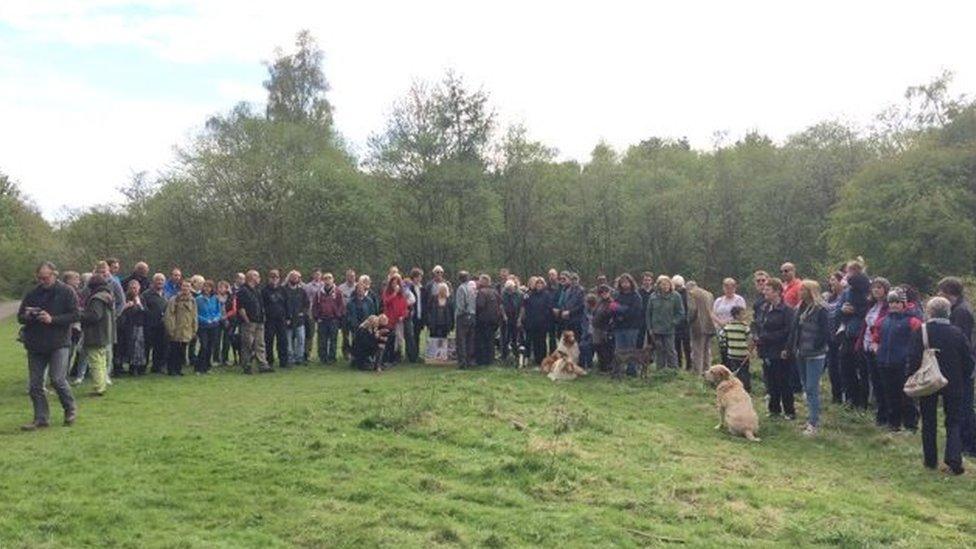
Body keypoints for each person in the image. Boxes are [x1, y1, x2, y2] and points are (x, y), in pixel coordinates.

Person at [909, 297, 973, 475]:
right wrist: (964, 377)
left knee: (929, 420)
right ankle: (954, 461)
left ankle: (930, 461)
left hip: (929, 380)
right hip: (954, 382)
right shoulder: (957, 333)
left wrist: (912, 377)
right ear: (948, 312)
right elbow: (968, 360)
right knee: (953, 421)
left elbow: (913, 358)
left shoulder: (921, 331)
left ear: (929, 312)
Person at [18, 261, 79, 430]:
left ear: (54, 274)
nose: (42, 281)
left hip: (59, 342)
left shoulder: (67, 291)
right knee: (35, 385)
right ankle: (41, 418)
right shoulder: (32, 293)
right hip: (36, 343)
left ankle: (70, 409)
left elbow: (75, 315)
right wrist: (30, 315)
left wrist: (53, 319)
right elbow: (20, 317)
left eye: (45, 277)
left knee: (58, 379)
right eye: (40, 278)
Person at [936, 276, 976, 457]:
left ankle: (969, 445)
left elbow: (963, 341)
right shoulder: (958, 308)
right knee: (961, 407)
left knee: (964, 407)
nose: (938, 294)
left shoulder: (961, 312)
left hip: (962, 368)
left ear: (950, 292)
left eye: (941, 291)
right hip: (959, 366)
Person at [873, 288, 921, 433]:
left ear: (904, 303)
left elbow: (919, 342)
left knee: (907, 396)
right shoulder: (882, 321)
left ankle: (910, 425)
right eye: (891, 302)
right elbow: (875, 337)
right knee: (890, 394)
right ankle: (893, 424)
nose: (894, 305)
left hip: (904, 364)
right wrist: (876, 347)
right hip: (885, 362)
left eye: (898, 302)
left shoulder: (913, 321)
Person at [788, 280, 830, 435]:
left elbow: (826, 333)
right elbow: (795, 330)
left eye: (804, 290)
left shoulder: (821, 310)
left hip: (815, 355)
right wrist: (793, 347)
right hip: (801, 353)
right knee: (806, 387)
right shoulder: (799, 308)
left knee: (812, 388)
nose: (800, 292)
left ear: (811, 291)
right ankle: (809, 419)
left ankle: (814, 423)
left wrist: (816, 345)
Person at [756, 278, 795, 420]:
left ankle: (789, 411)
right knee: (770, 381)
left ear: (777, 292)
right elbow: (758, 324)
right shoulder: (764, 308)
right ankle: (774, 410)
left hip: (780, 350)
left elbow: (789, 331)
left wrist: (770, 337)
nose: (764, 292)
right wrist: (757, 336)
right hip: (766, 350)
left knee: (784, 381)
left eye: (768, 290)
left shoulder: (787, 311)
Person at [838, 258, 871, 409]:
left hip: (862, 333)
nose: (848, 275)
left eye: (851, 271)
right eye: (847, 271)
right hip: (848, 331)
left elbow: (868, 309)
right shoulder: (847, 291)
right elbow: (840, 309)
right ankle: (851, 398)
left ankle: (863, 401)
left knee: (862, 369)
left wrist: (855, 310)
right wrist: (843, 311)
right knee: (846, 365)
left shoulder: (866, 288)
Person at [79, 274, 115, 396]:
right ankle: (102, 385)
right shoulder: (107, 296)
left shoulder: (96, 299)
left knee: (95, 362)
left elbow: (94, 316)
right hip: (105, 333)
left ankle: (98, 388)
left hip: (95, 334)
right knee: (101, 361)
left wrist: (81, 314)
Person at [864, 277, 892, 426]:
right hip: (867, 347)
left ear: (886, 290)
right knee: (875, 382)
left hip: (880, 349)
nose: (876, 290)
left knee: (883, 383)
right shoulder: (872, 305)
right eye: (874, 287)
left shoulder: (888, 307)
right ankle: (880, 415)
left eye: (879, 287)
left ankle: (887, 415)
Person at [645, 275, 685, 369]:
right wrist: (650, 328)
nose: (665, 286)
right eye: (663, 284)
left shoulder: (676, 296)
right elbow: (648, 314)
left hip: (669, 329)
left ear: (671, 285)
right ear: (658, 285)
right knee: (659, 351)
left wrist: (674, 322)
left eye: (667, 284)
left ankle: (673, 371)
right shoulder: (653, 297)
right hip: (656, 329)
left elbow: (681, 313)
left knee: (670, 350)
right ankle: (660, 370)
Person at [236, 270, 271, 374]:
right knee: (247, 344)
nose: (259, 278)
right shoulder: (242, 291)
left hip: (259, 321)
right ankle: (247, 365)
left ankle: (263, 364)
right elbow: (241, 308)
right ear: (251, 277)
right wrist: (246, 320)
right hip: (249, 322)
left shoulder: (257, 290)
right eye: (257, 276)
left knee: (260, 343)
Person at [164, 281, 197, 376]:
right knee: (174, 351)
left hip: (187, 330)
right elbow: (169, 315)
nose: (185, 288)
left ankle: (178, 369)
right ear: (181, 287)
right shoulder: (174, 299)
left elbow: (194, 315)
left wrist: (194, 329)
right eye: (184, 286)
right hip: (176, 329)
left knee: (182, 351)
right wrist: (171, 329)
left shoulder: (192, 300)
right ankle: (172, 370)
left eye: (188, 286)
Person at [612, 273, 643, 374]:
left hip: (632, 327)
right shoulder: (617, 295)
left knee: (631, 350)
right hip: (619, 327)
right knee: (619, 350)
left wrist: (621, 310)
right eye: (622, 283)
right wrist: (619, 312)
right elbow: (613, 308)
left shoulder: (636, 296)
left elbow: (635, 312)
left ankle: (632, 370)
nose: (624, 284)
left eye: (626, 282)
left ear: (631, 283)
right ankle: (618, 370)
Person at [824, 272, 846, 404]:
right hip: (829, 337)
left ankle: (844, 394)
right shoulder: (829, 299)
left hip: (841, 336)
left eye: (833, 280)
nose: (831, 283)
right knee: (832, 367)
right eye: (830, 280)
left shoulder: (845, 298)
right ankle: (835, 395)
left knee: (841, 367)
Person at [313, 273, 346, 364]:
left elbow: (341, 305)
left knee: (333, 340)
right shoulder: (319, 293)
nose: (327, 280)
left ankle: (332, 357)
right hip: (322, 320)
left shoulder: (338, 292)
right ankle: (323, 357)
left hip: (333, 320)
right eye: (325, 279)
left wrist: (338, 316)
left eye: (329, 278)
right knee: (322, 340)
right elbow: (315, 306)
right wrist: (316, 317)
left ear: (333, 280)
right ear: (323, 281)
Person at [713, 278, 747, 364]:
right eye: (726, 287)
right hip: (720, 330)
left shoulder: (739, 300)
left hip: (733, 331)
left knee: (731, 353)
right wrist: (719, 322)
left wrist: (728, 323)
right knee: (723, 352)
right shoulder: (719, 300)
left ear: (735, 288)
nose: (729, 289)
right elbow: (713, 313)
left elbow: (741, 314)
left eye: (731, 287)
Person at [718, 306, 751, 391]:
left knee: (733, 372)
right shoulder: (744, 326)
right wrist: (749, 349)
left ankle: (734, 387)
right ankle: (746, 388)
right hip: (743, 354)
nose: (744, 316)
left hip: (732, 353)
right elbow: (750, 338)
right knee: (744, 372)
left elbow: (722, 336)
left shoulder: (728, 326)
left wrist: (724, 347)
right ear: (737, 315)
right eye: (742, 314)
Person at [686, 281, 717, 374]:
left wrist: (689, 320)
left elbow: (692, 309)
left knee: (697, 350)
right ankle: (707, 371)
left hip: (698, 325)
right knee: (707, 350)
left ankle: (697, 372)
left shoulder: (692, 294)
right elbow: (712, 310)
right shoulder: (709, 294)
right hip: (709, 324)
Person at [118, 280, 147, 376]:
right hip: (126, 326)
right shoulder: (124, 298)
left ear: (139, 288)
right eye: (131, 288)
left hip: (138, 326)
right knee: (123, 347)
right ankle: (119, 368)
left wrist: (138, 304)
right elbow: (126, 311)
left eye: (135, 288)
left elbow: (144, 311)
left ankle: (134, 368)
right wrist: (128, 306)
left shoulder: (141, 298)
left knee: (137, 348)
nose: (133, 290)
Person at [522, 276, 553, 366]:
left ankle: (542, 360)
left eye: (541, 283)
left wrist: (545, 317)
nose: (539, 285)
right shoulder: (530, 294)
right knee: (535, 342)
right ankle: (536, 359)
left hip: (543, 323)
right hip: (532, 322)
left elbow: (549, 308)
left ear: (543, 285)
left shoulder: (547, 295)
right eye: (537, 283)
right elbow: (526, 307)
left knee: (542, 342)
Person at [262, 269, 289, 369]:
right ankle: (269, 360)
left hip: (281, 319)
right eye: (272, 277)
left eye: (276, 277)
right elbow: (262, 305)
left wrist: (288, 317)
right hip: (269, 320)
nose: (274, 279)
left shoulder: (283, 290)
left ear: (279, 279)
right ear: (269, 278)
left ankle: (284, 361)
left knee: (283, 341)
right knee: (268, 340)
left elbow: (287, 304)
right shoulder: (264, 291)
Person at [474, 274, 504, 366]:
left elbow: (480, 305)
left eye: (479, 280)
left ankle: (482, 360)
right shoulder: (495, 292)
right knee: (491, 341)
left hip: (483, 320)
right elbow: (500, 304)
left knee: (481, 340)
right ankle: (490, 359)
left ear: (483, 282)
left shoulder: (481, 292)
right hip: (494, 320)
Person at [381, 274, 410, 365]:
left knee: (398, 340)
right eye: (393, 283)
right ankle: (386, 358)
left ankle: (395, 358)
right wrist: (394, 294)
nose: (395, 285)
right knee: (388, 340)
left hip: (398, 321)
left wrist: (403, 316)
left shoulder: (402, 295)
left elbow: (405, 308)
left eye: (397, 283)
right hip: (389, 320)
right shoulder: (387, 292)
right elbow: (386, 302)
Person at [283, 270, 310, 366]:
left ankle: (299, 358)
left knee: (301, 339)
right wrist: (286, 317)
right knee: (289, 341)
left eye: (297, 277)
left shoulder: (302, 291)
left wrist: (303, 312)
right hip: (288, 320)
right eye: (293, 277)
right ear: (289, 278)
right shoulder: (284, 290)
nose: (295, 279)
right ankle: (290, 358)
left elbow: (307, 304)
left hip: (299, 320)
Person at [194, 280, 221, 374]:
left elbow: (219, 311)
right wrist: (205, 320)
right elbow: (195, 313)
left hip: (214, 326)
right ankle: (198, 367)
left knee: (210, 346)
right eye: (205, 286)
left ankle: (207, 367)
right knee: (204, 346)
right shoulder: (198, 299)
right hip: (203, 326)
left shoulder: (215, 298)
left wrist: (216, 318)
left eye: (209, 287)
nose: (207, 289)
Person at [553, 271, 584, 342]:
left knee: (576, 343)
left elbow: (581, 306)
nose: (574, 281)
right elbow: (563, 304)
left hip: (576, 321)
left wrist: (569, 312)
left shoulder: (580, 290)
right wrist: (561, 312)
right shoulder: (565, 290)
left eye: (575, 279)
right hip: (566, 322)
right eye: (572, 279)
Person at [454, 271, 477, 369]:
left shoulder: (461, 288)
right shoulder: (473, 287)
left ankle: (462, 362)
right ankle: (470, 361)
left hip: (463, 316)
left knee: (461, 339)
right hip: (473, 315)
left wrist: (458, 314)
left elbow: (460, 305)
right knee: (470, 339)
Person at [303, 269, 325, 362]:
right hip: (311, 312)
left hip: (322, 312)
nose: (317, 276)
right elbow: (306, 299)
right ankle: (307, 354)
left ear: (321, 275)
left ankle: (321, 354)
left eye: (319, 274)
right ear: (313, 275)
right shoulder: (308, 286)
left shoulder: (325, 285)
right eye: (315, 274)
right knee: (310, 334)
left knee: (321, 334)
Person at [592, 286, 616, 371]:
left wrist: (608, 328)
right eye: (602, 292)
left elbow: (612, 316)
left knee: (606, 348)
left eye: (606, 292)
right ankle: (601, 366)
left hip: (606, 328)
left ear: (609, 293)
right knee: (598, 346)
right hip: (597, 327)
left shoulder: (612, 303)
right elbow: (594, 312)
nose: (604, 294)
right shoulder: (599, 302)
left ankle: (608, 366)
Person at [671, 275, 692, 369]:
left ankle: (689, 365)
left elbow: (690, 308)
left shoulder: (687, 294)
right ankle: (678, 364)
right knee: (676, 346)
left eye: (679, 285)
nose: (678, 287)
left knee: (687, 346)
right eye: (676, 285)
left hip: (685, 323)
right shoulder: (672, 294)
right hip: (676, 323)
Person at [215, 280, 238, 366]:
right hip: (217, 320)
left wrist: (225, 316)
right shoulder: (215, 297)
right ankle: (216, 359)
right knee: (216, 340)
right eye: (219, 287)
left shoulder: (232, 297)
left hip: (229, 321)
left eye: (223, 287)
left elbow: (234, 310)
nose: (221, 289)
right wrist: (218, 316)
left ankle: (225, 358)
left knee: (227, 340)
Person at [500, 279, 524, 362]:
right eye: (508, 289)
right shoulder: (504, 294)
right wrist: (504, 316)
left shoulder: (520, 294)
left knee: (515, 338)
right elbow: (501, 305)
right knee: (505, 338)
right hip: (506, 318)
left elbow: (522, 307)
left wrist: (519, 319)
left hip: (516, 317)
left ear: (514, 287)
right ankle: (504, 355)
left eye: (511, 288)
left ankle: (516, 355)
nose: (509, 290)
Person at [404, 268, 424, 363]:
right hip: (411, 315)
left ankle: (416, 354)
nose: (420, 278)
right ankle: (411, 356)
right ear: (415, 277)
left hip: (419, 314)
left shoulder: (421, 288)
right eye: (419, 276)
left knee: (417, 335)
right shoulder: (409, 287)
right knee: (410, 336)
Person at [638, 271, 655, 349]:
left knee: (652, 339)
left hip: (652, 318)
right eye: (645, 280)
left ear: (651, 281)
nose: (647, 282)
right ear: (642, 281)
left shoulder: (655, 292)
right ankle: (639, 357)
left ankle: (651, 358)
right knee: (640, 339)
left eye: (648, 280)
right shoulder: (638, 292)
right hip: (641, 318)